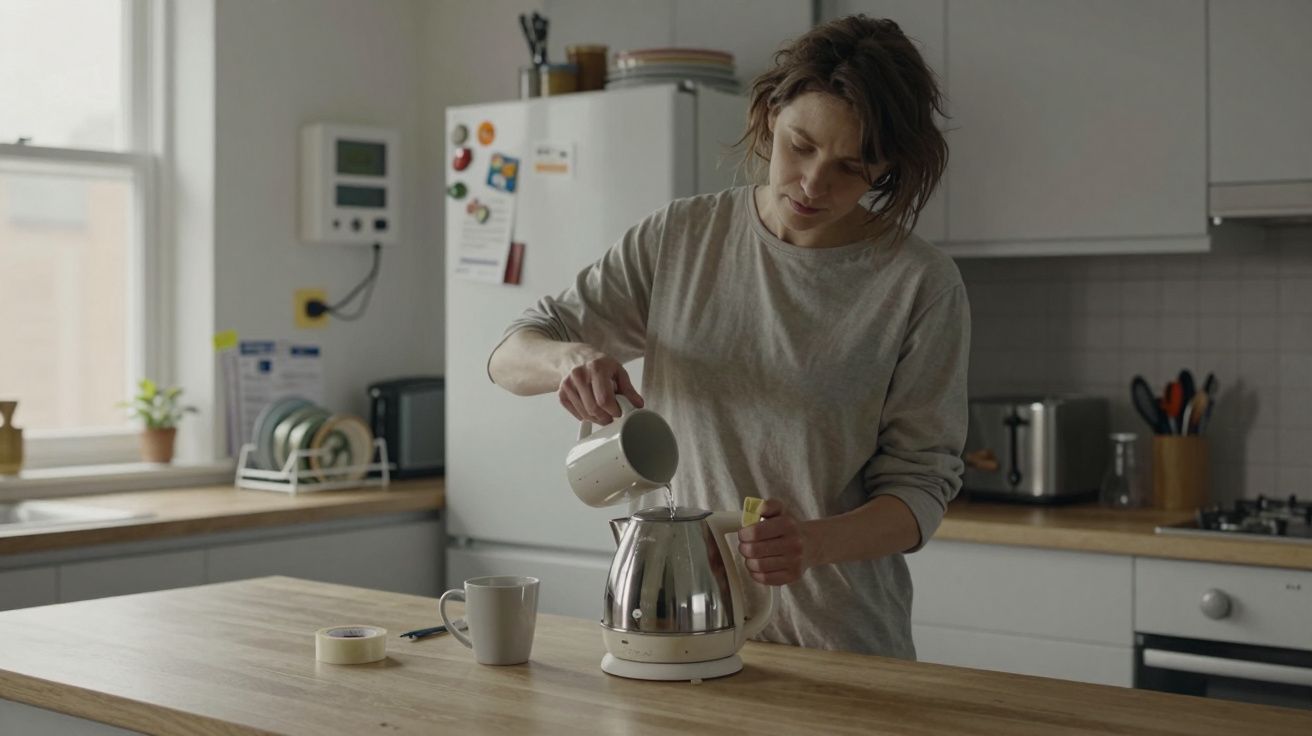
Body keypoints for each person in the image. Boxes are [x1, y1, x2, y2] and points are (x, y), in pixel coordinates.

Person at [487, 15, 968, 659]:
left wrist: (811, 542)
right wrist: (570, 358)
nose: (814, 183)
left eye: (851, 167)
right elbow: (510, 355)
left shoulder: (920, 284)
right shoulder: (680, 238)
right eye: (801, 145)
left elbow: (920, 491)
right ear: (770, 115)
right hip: (682, 629)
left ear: (884, 169)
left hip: (841, 645)